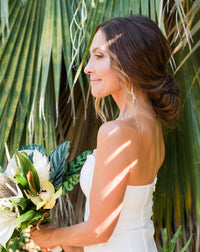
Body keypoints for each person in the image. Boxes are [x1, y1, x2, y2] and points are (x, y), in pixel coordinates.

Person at [30, 15, 179, 252]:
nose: (88, 68)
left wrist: (49, 237)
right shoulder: (150, 126)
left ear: (130, 61)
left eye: (98, 56)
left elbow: (100, 230)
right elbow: (121, 226)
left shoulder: (116, 132)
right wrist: (61, 242)